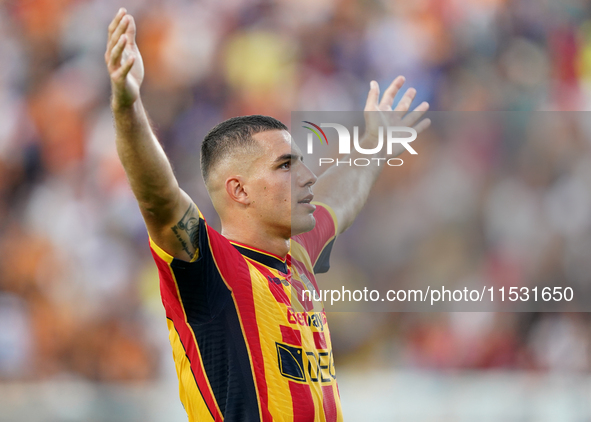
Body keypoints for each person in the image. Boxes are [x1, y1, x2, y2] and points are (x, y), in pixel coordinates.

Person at [105, 7, 429, 422]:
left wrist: (375, 143)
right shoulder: (212, 269)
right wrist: (127, 107)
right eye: (285, 166)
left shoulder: (297, 260)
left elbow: (340, 198)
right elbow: (158, 196)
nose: (308, 176)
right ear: (238, 190)